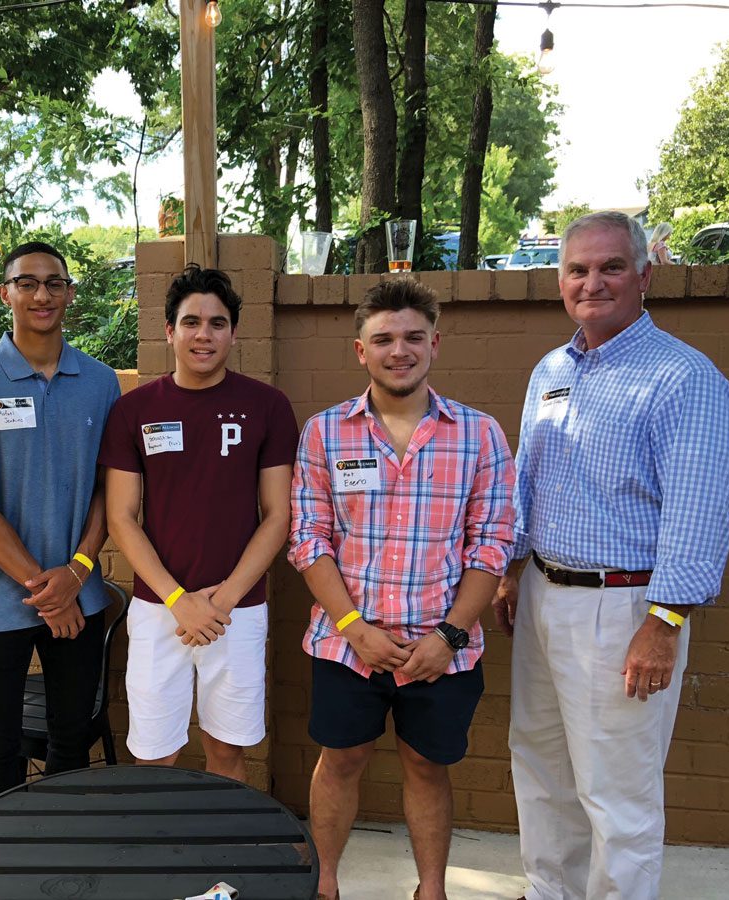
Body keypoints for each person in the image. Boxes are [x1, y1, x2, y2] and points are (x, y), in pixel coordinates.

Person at [495, 211, 729, 900]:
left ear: (644, 275)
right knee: (541, 771)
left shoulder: (683, 379)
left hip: (625, 608)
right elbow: (525, 479)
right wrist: (514, 569)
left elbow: (698, 512)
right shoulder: (550, 371)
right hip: (543, 595)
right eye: (578, 269)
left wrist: (664, 624)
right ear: (559, 280)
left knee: (617, 794)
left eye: (611, 267)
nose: (592, 282)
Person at [289, 278, 515, 900]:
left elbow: (492, 544)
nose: (399, 350)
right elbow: (309, 539)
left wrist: (449, 635)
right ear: (360, 350)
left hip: (442, 650)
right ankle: (325, 884)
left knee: (426, 766)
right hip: (346, 646)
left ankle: (431, 890)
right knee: (341, 761)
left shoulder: (479, 435)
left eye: (413, 337)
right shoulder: (325, 433)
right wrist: (354, 628)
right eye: (383, 339)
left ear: (435, 344)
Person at [101, 264, 297, 779]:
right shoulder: (134, 410)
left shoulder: (267, 407)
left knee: (227, 750)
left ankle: (220, 855)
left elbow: (278, 516)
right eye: (191, 322)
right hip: (158, 607)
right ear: (169, 331)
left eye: (216, 323)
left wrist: (223, 600)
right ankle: (163, 856)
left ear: (233, 332)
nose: (203, 335)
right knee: (154, 754)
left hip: (237, 608)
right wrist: (177, 601)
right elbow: (121, 518)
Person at [0, 240, 120, 804]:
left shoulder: (101, 382)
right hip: (2, 604)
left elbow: (109, 492)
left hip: (82, 599)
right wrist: (47, 591)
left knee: (71, 744)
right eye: (27, 282)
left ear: (69, 293)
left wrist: (77, 571)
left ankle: (61, 864)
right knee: (0, 746)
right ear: (6, 294)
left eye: (54, 283)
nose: (41, 294)